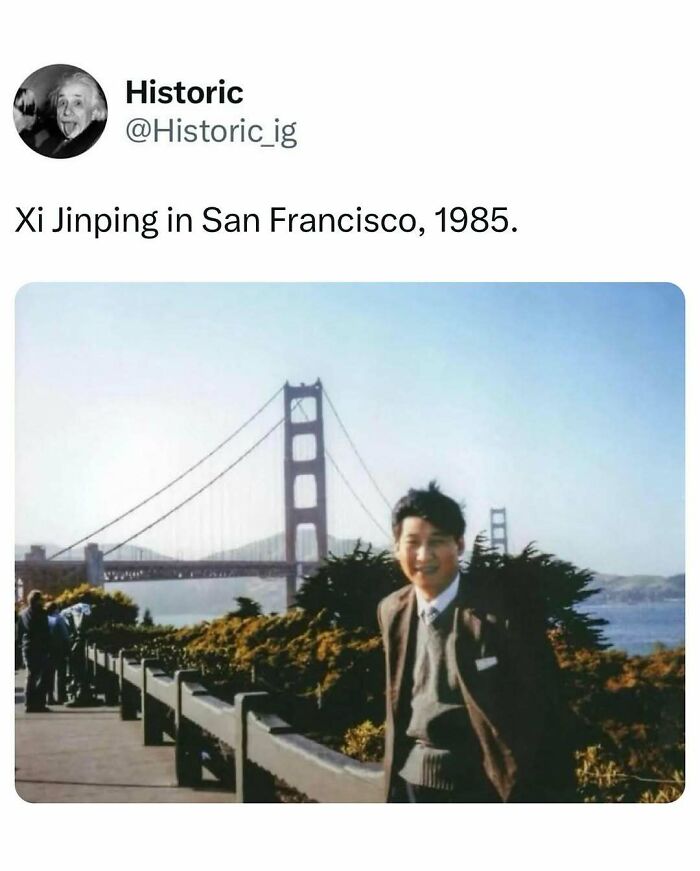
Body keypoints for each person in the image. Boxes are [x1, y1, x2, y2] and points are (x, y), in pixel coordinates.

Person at [377, 482, 574, 802]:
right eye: (412, 542)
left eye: (438, 542)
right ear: (396, 547)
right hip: (410, 783)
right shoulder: (391, 610)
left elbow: (547, 715)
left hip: (483, 786)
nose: (423, 555)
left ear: (459, 544)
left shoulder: (503, 617)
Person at [35, 71, 107, 158]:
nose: (67, 111)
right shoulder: (48, 144)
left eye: (77, 103)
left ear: (94, 112)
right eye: (62, 103)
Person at [17, 590, 51, 713]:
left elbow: (19, 633)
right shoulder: (41, 613)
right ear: (37, 601)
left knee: (31, 675)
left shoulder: (22, 613)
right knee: (44, 676)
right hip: (40, 648)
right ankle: (39, 703)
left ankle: (29, 703)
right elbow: (46, 632)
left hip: (27, 647)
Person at [45, 602, 71, 704]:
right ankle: (61, 696)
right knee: (61, 673)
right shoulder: (59, 619)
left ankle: (49, 697)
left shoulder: (44, 619)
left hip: (47, 649)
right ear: (56, 609)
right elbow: (65, 635)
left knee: (49, 674)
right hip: (59, 648)